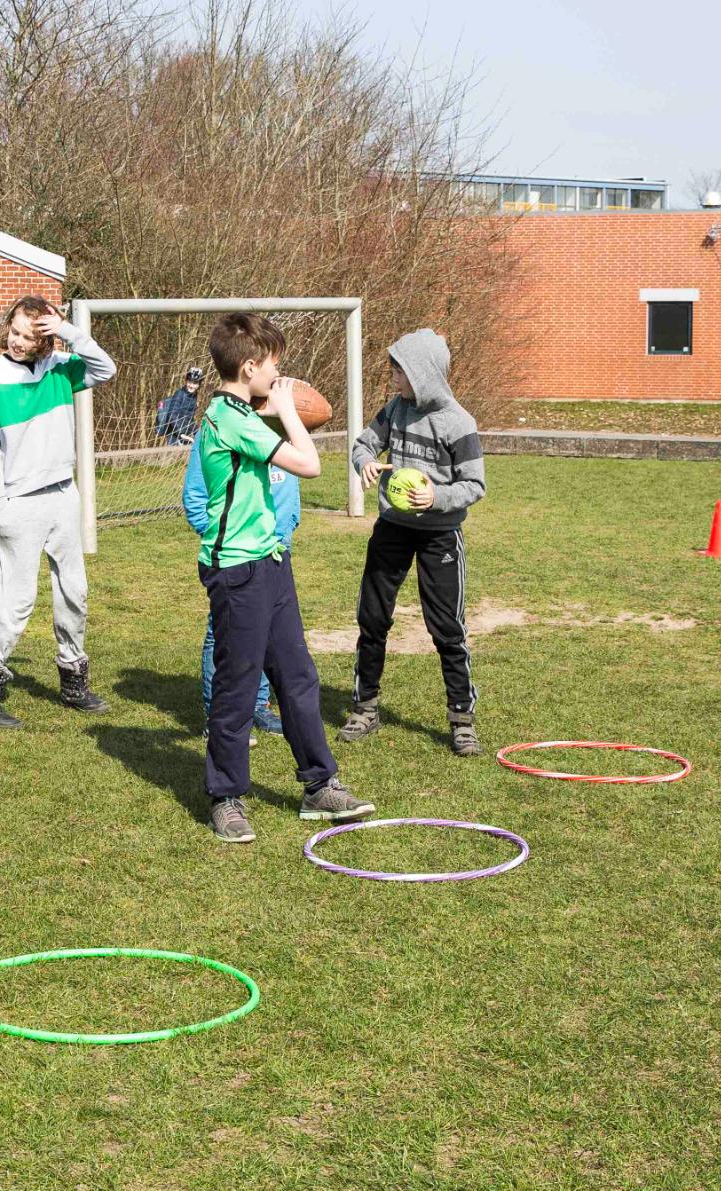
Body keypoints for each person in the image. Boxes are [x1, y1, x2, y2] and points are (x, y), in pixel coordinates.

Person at [193, 312, 371, 844]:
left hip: (270, 560)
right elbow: (310, 465)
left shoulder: (242, 411)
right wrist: (290, 410)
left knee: (296, 676)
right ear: (249, 367)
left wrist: (273, 404)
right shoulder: (231, 419)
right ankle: (226, 796)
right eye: (274, 366)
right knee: (237, 684)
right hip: (236, 570)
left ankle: (319, 785)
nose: (279, 374)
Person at [0, 295, 117, 728]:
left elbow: (106, 368)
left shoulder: (62, 368)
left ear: (46, 338)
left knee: (74, 592)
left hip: (64, 495)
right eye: (14, 331)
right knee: (18, 600)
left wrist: (68, 332)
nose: (18, 341)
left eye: (30, 335)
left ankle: (73, 682)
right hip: (18, 503)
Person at [342, 330, 490, 755]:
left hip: (439, 534)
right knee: (373, 618)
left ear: (422, 373)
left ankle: (462, 719)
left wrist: (436, 498)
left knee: (447, 627)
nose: (392, 376)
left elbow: (474, 485)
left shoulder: (459, 423)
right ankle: (364, 707)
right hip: (392, 527)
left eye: (399, 369)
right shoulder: (396, 410)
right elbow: (364, 443)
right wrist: (367, 463)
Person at [182, 431, 300, 741]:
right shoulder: (221, 430)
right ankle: (218, 715)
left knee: (264, 630)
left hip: (276, 548)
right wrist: (223, 537)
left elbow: (290, 480)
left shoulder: (280, 428)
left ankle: (257, 705)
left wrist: (290, 523)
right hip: (238, 552)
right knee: (222, 631)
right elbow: (195, 495)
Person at [153, 366, 203, 445]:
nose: (191, 385)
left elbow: (188, 418)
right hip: (174, 433)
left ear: (199, 384)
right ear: (186, 381)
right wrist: (180, 433)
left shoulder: (193, 397)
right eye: (189, 382)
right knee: (175, 455)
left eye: (195, 383)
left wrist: (196, 431)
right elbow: (172, 415)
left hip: (184, 432)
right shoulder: (179, 394)